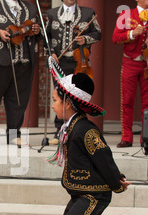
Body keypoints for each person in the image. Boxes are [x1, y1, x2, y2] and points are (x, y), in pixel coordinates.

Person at [47, 56, 131, 215]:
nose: (52, 105)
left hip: (93, 195)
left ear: (69, 103)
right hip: (81, 193)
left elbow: (104, 158)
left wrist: (117, 181)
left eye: (54, 101)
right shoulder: (72, 126)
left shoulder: (86, 130)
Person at [0, 0, 41, 147]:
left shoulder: (29, 7)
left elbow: (38, 32)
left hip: (23, 60)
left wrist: (37, 30)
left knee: (18, 99)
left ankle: (13, 134)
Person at [112, 0, 148, 148]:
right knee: (127, 101)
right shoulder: (125, 14)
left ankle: (146, 137)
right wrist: (131, 33)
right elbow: (115, 38)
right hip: (130, 62)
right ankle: (127, 137)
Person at [45, 0, 101, 145]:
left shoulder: (88, 13)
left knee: (77, 98)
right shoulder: (52, 13)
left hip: (79, 62)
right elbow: (46, 38)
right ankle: (59, 132)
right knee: (60, 95)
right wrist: (51, 53)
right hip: (59, 62)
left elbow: (98, 33)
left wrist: (85, 39)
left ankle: (77, 130)